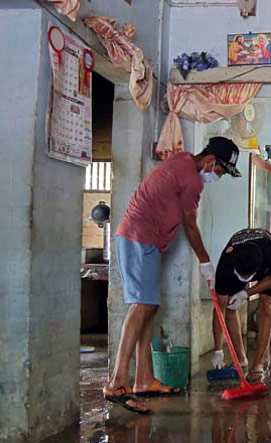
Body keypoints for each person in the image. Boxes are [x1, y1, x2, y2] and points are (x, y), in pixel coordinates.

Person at [104, 136, 242, 414]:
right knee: (141, 306)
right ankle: (117, 382)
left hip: (146, 241)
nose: (219, 177)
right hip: (138, 238)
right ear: (210, 161)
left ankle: (143, 379)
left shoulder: (182, 160)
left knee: (150, 308)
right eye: (220, 171)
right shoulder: (192, 181)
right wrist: (205, 261)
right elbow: (191, 226)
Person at [211, 228, 271, 384]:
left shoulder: (269, 252)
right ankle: (240, 358)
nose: (244, 278)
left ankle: (258, 364)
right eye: (241, 276)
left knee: (266, 303)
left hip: (266, 264)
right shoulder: (226, 264)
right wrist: (217, 350)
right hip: (238, 259)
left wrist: (246, 293)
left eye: (247, 277)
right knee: (229, 304)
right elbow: (219, 308)